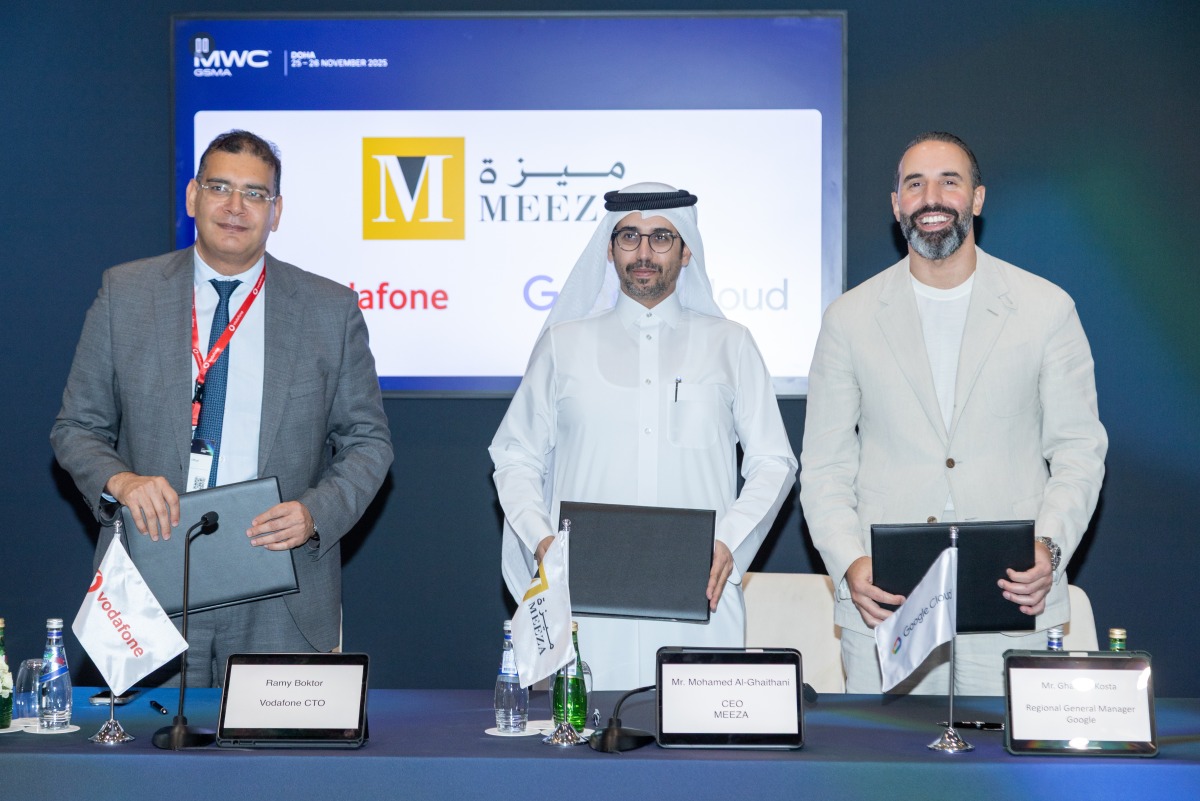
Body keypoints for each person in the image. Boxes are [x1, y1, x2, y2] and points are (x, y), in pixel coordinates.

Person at [51, 130, 393, 686]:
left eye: (255, 194)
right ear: (192, 197)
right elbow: (76, 428)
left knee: (273, 772)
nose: (236, 207)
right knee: (143, 768)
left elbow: (368, 443)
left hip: (280, 586)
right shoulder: (126, 294)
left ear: (276, 211)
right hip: (151, 575)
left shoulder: (330, 310)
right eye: (220, 187)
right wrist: (123, 481)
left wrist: (314, 513)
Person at [800, 132, 1107, 695]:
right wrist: (849, 565)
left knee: (1007, 779)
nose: (931, 197)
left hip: (1013, 586)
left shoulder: (1046, 308)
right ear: (897, 204)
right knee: (885, 778)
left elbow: (1078, 451)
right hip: (887, 595)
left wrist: (1051, 547)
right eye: (914, 184)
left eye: (950, 181)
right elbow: (823, 468)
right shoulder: (848, 318)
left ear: (978, 198)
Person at [490, 183, 797, 690]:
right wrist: (543, 542)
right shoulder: (563, 345)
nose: (645, 252)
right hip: (584, 602)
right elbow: (514, 455)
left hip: (699, 594)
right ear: (609, 250)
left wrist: (729, 542)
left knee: (698, 757)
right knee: (582, 756)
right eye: (629, 236)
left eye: (661, 238)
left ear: (686, 250)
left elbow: (774, 462)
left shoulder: (731, 345)